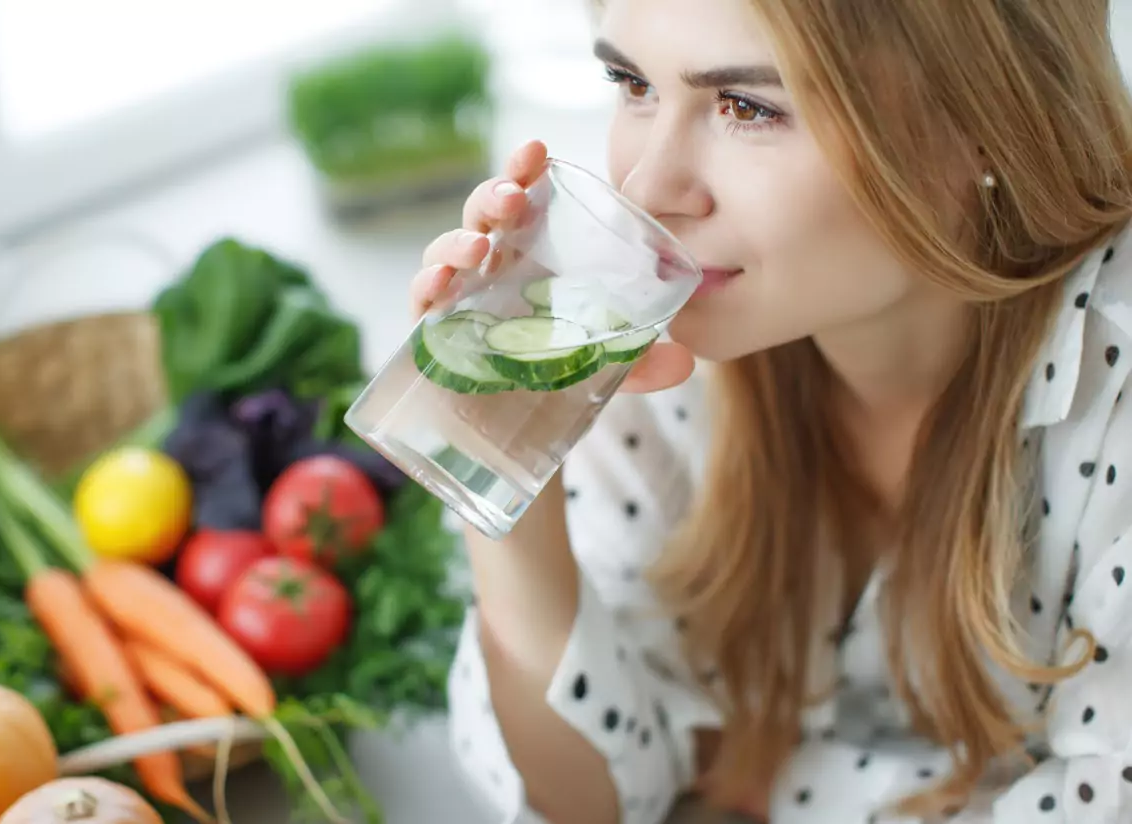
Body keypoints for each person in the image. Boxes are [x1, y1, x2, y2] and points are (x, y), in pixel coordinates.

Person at [412, 0, 1132, 821]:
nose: (648, 187)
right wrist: (505, 471)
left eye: (748, 107)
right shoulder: (662, 346)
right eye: (631, 82)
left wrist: (776, 780)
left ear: (988, 119)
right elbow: (597, 798)